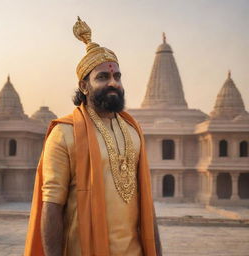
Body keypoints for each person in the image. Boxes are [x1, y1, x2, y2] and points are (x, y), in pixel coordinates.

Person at [24, 17, 162, 256]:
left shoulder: (133, 130)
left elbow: (147, 203)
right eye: (102, 77)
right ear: (84, 86)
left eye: (117, 77)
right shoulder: (64, 133)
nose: (113, 83)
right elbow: (52, 207)